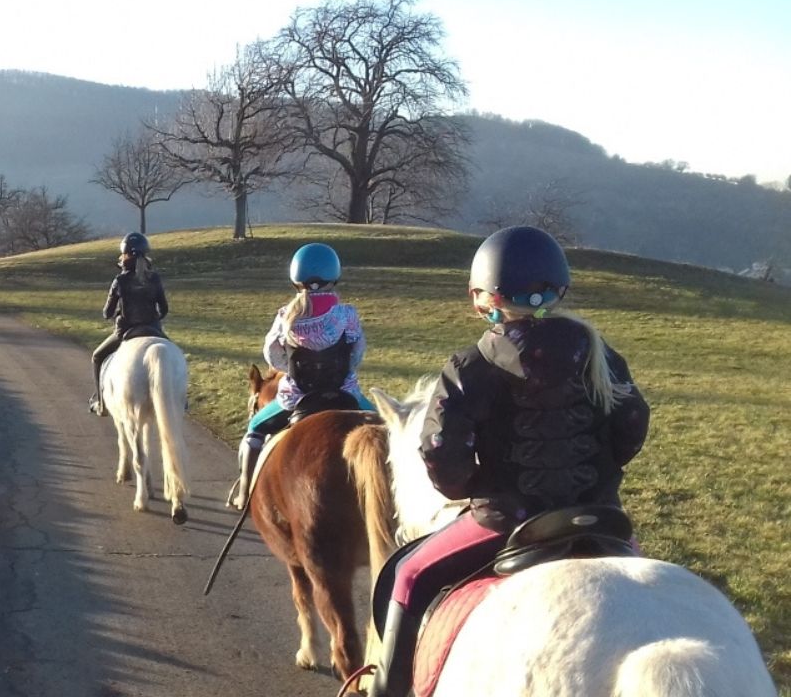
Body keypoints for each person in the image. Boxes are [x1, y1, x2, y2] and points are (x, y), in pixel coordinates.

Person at [368, 226, 650, 697]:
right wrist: (601, 474)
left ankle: (387, 690)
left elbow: (440, 453)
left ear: (483, 298)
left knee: (408, 574)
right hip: (599, 516)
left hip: (507, 521)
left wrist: (471, 490)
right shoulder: (601, 354)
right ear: (560, 290)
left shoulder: (470, 366)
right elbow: (633, 423)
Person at [235, 242, 376, 492]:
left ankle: (245, 491)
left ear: (295, 279)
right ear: (334, 276)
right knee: (386, 423)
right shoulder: (346, 314)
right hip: (346, 393)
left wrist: (289, 368)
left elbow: (270, 352)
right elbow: (357, 351)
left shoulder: (286, 315)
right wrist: (344, 371)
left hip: (297, 398)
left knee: (255, 428)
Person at [89, 232, 168, 417]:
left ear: (125, 255)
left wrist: (115, 313)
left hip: (126, 332)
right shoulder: (154, 278)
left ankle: (101, 404)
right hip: (153, 330)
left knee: (97, 357)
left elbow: (106, 313)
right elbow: (164, 309)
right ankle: (182, 400)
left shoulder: (120, 280)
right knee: (176, 354)